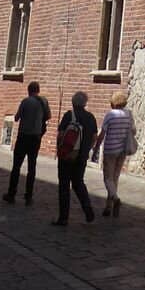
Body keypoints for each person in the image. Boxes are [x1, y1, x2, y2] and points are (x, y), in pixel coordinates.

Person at [2, 80, 51, 206]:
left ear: (28, 90)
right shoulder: (44, 102)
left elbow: (17, 118)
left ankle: (11, 194)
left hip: (23, 137)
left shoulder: (25, 101)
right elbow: (48, 116)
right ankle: (28, 197)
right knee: (31, 167)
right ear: (38, 90)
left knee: (16, 167)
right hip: (36, 138)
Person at [53, 91, 97, 226]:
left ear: (73, 103)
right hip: (81, 156)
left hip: (66, 156)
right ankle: (88, 210)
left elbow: (60, 135)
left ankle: (63, 217)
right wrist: (85, 150)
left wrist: (60, 149)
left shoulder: (68, 116)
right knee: (78, 183)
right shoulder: (90, 117)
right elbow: (94, 138)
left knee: (64, 185)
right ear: (85, 103)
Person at [93, 89, 136, 218]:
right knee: (115, 178)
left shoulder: (110, 115)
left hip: (110, 150)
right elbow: (134, 131)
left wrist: (96, 148)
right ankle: (108, 206)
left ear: (113, 102)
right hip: (122, 149)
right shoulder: (129, 114)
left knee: (107, 178)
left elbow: (102, 134)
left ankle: (115, 199)